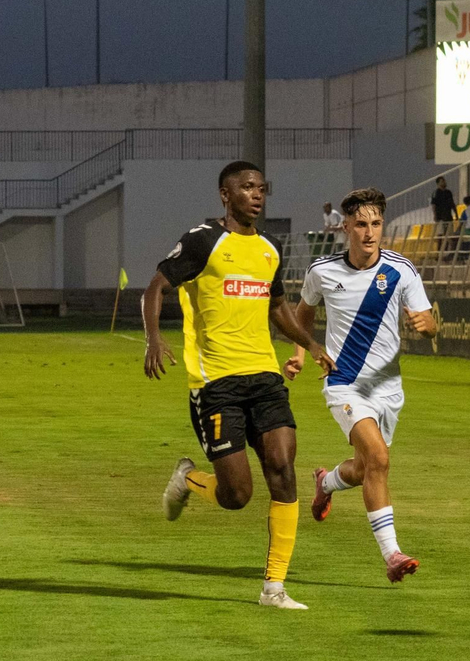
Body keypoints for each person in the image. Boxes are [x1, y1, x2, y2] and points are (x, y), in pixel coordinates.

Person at [146, 160, 336, 611]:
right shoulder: (203, 240)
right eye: (247, 187)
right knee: (237, 496)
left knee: (283, 467)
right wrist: (154, 338)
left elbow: (277, 308)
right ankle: (189, 478)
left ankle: (274, 588)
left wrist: (309, 343)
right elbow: (155, 286)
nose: (257, 194)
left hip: (265, 377)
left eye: (261, 188)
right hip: (216, 384)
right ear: (225, 195)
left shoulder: (270, 249)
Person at [286, 187, 436, 585]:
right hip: (344, 384)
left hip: (387, 388)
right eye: (361, 225)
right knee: (380, 460)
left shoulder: (401, 270)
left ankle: (327, 481)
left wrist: (426, 325)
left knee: (365, 468)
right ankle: (392, 554)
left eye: (376, 224)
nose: (370, 233)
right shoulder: (322, 271)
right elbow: (303, 313)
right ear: (346, 227)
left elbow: (429, 319)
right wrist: (302, 353)